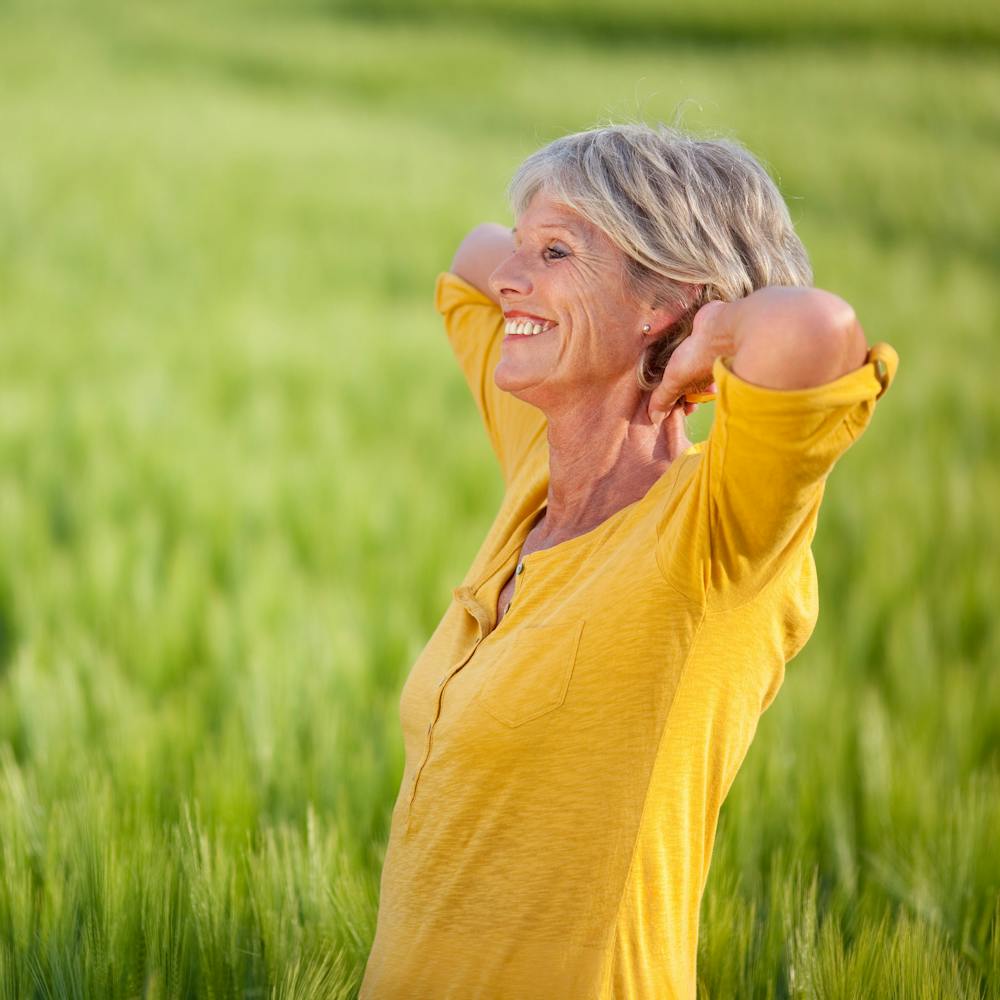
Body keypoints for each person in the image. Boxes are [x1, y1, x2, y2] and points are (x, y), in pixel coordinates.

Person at [357, 122, 897, 999]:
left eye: (559, 252)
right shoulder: (544, 459)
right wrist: (557, 248)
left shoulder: (717, 533)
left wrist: (709, 327)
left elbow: (817, 329)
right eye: (527, 248)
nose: (510, 280)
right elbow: (473, 258)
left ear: (662, 302)